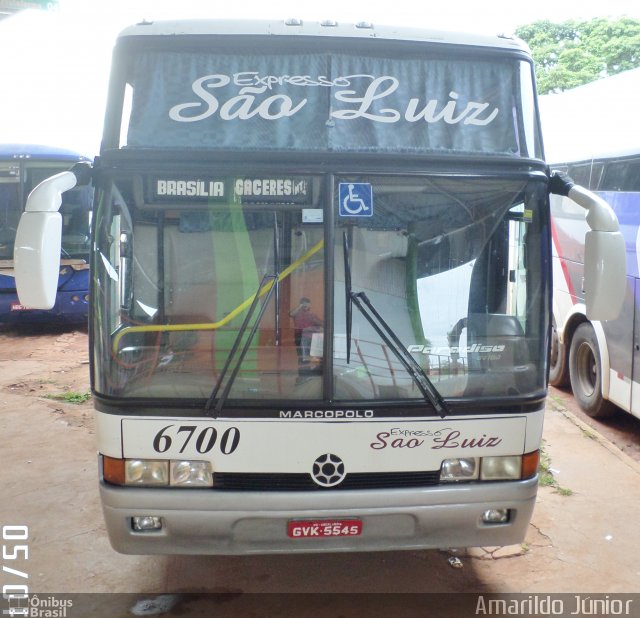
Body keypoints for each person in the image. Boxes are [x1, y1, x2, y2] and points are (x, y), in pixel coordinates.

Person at [289, 297, 323, 364]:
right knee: (301, 355)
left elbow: (320, 323)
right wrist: (299, 307)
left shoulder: (311, 314)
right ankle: (302, 369)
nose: (306, 307)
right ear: (301, 305)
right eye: (304, 305)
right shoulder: (297, 313)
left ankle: (306, 368)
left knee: (308, 355)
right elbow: (291, 314)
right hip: (299, 335)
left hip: (309, 336)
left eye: (307, 305)